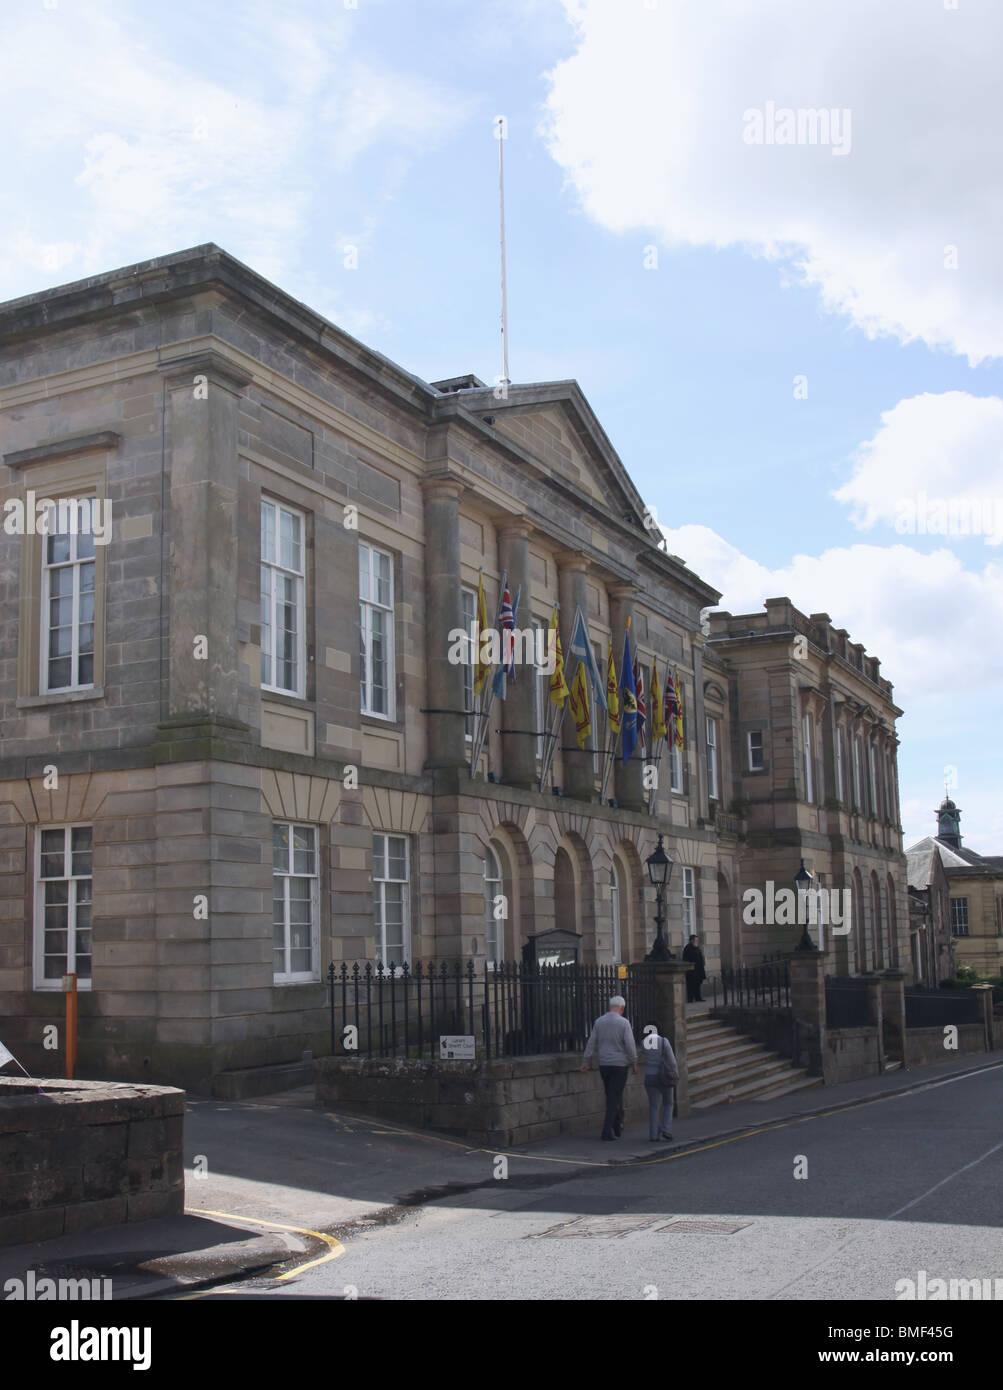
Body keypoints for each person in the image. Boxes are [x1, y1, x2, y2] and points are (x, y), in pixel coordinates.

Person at [581, 995, 638, 1140]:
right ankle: (607, 1130)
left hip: (604, 1064)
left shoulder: (599, 1022)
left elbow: (591, 1043)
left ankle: (616, 1127)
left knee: (611, 1095)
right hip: (619, 1065)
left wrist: (585, 1062)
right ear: (622, 1008)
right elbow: (630, 1045)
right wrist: (634, 1061)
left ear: (609, 1006)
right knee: (614, 1097)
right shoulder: (624, 1023)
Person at [642, 1021, 679, 1141]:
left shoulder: (643, 1043)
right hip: (664, 1077)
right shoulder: (664, 1041)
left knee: (653, 1106)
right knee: (668, 1103)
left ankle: (653, 1135)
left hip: (649, 1077)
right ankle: (666, 1129)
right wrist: (675, 1071)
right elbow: (671, 1060)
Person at [682, 934, 706, 1003]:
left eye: (697, 940)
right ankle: (690, 999)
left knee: (697, 984)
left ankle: (698, 997)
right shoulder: (688, 948)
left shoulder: (697, 948)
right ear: (691, 941)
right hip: (691, 970)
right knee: (690, 985)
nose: (697, 941)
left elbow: (700, 957)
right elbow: (686, 959)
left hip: (698, 970)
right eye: (695, 940)